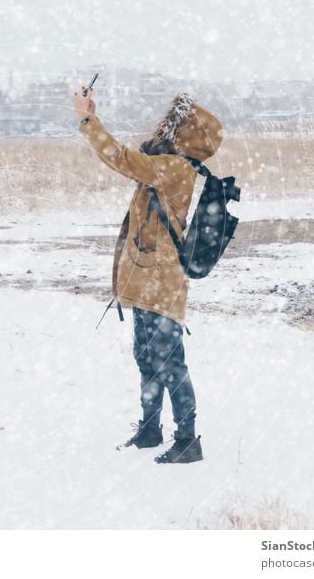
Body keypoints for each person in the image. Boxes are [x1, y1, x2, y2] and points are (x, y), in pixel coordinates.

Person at [73, 86, 224, 464]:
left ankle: (188, 440)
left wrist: (86, 119)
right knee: (146, 357)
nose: (167, 132)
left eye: (177, 127)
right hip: (146, 282)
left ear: (187, 135)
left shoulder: (174, 169)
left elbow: (121, 159)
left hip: (162, 286)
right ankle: (150, 429)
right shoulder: (165, 163)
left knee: (171, 363)